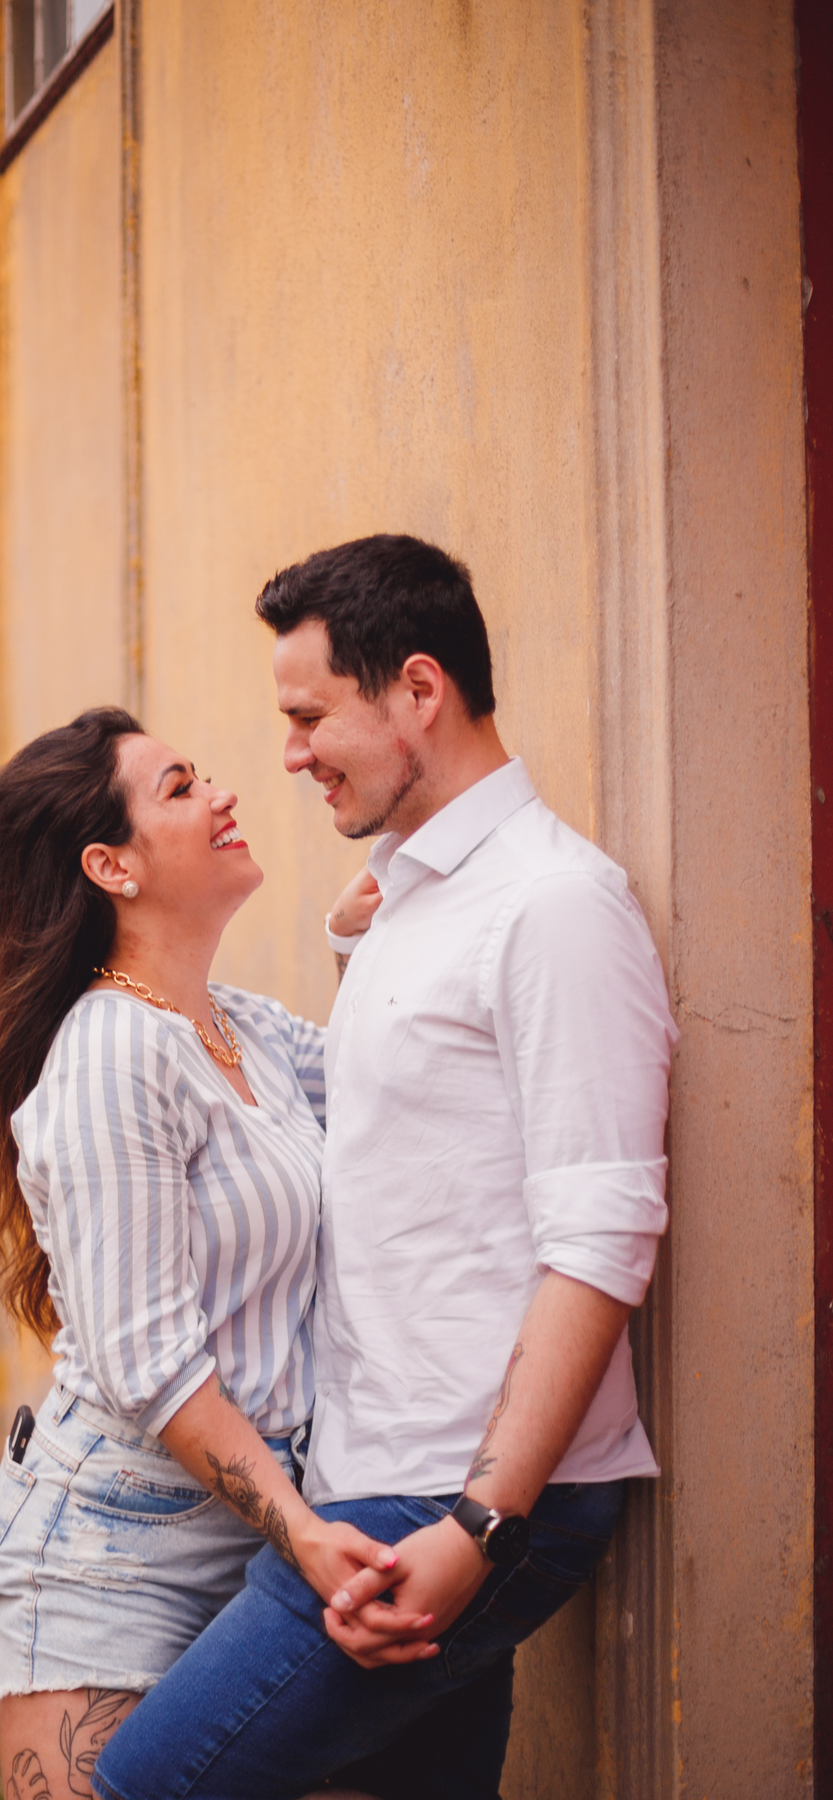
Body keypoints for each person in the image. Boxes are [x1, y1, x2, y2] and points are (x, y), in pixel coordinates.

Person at [91, 535, 679, 1800]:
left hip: (448, 1497)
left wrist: (479, 1526)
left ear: (419, 691)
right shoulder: (411, 902)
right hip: (376, 1474)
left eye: (309, 716)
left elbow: (601, 1239)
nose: (289, 752)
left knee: (147, 1784)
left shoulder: (556, 907)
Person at [0, 706, 400, 1800]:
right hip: (116, 1555)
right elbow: (150, 1359)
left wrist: (361, 948)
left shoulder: (229, 1024)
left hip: (256, 1533)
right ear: (110, 865)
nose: (223, 796)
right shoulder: (112, 1055)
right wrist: (303, 1532)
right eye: (180, 787)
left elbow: (374, 1105)